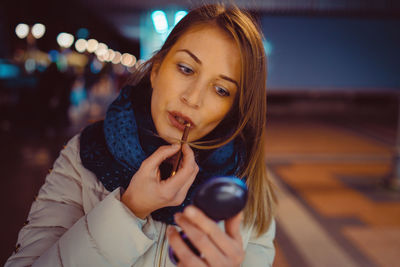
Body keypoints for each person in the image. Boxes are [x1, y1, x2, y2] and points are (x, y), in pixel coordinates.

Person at [6, 4, 277, 267]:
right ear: (157, 69)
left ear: (234, 109)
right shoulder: (83, 155)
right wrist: (130, 209)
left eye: (221, 90)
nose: (192, 98)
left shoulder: (246, 190)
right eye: (185, 69)